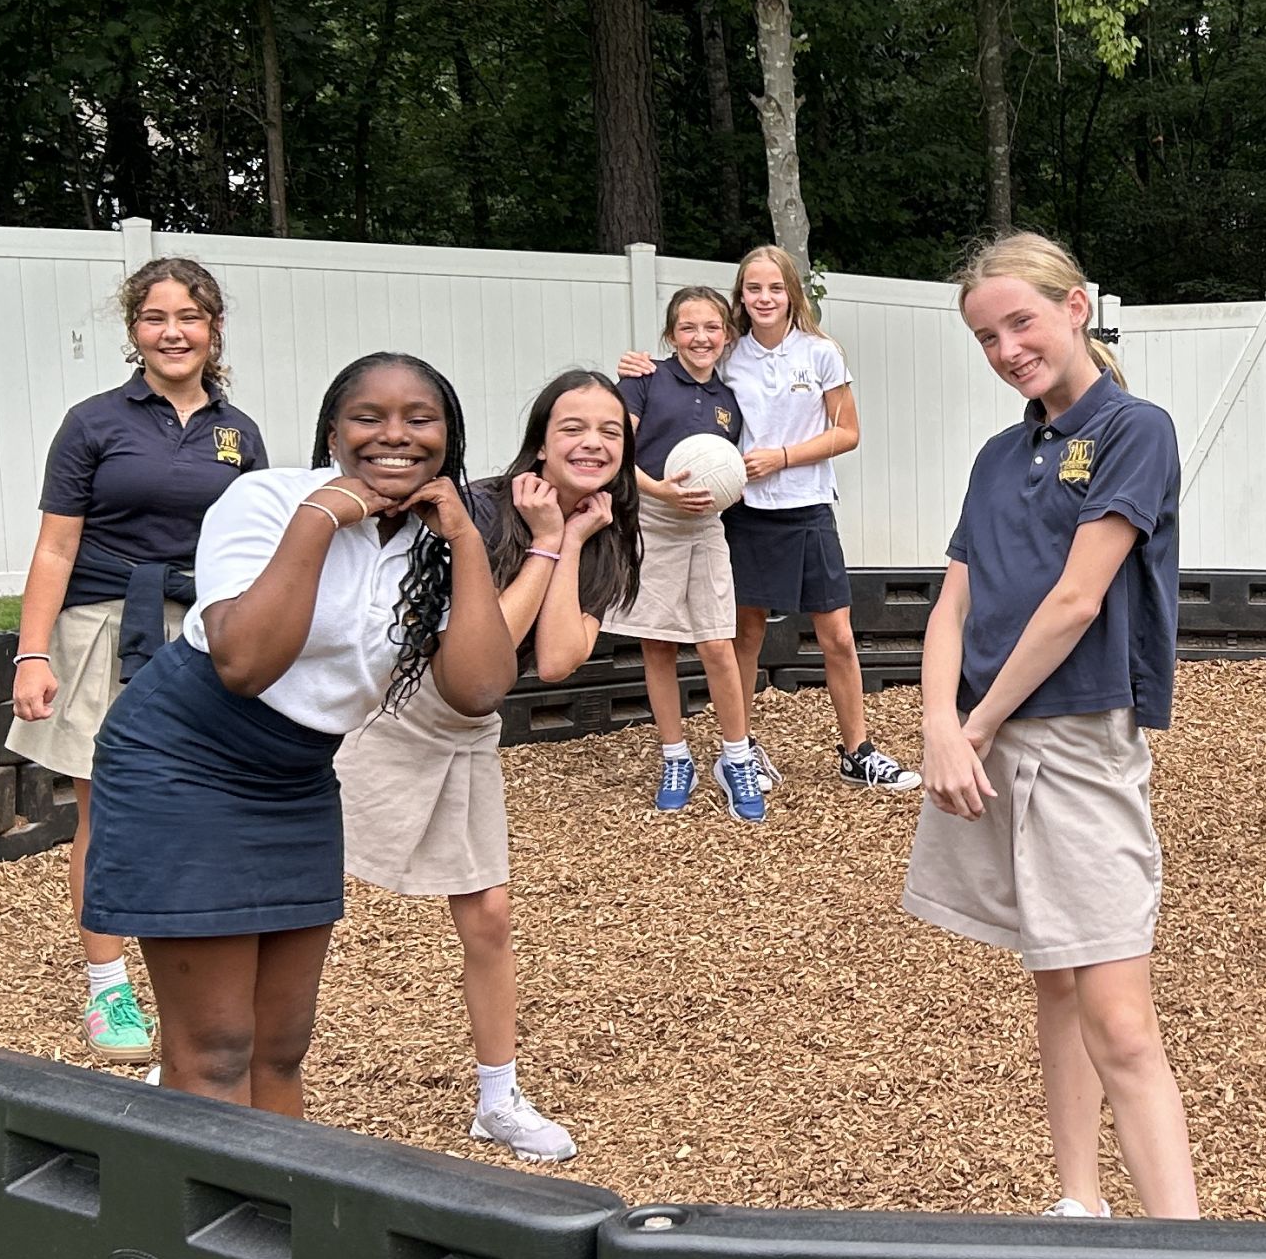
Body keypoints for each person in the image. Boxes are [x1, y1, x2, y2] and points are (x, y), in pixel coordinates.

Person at [82, 354, 515, 1114]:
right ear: (332, 432)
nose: (395, 435)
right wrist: (321, 516)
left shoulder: (438, 539)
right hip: (184, 760)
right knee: (216, 1049)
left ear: (447, 436)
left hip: (297, 777)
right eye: (368, 417)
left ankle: (276, 1192)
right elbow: (244, 663)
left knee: (281, 1046)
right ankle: (198, 1191)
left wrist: (466, 541)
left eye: (420, 419)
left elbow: (478, 688)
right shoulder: (265, 500)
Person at [907, 231, 1199, 1220]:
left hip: (1073, 739)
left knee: (1119, 1021)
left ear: (1076, 305)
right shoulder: (997, 455)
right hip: (987, 741)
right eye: (986, 337)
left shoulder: (1133, 429)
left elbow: (1077, 600)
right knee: (1055, 984)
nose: (1006, 349)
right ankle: (1079, 1204)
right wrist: (937, 723)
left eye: (1020, 322)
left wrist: (974, 724)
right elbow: (952, 602)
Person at [336, 369, 638, 1161]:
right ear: (540, 440)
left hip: (466, 732)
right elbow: (477, 652)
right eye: (573, 427)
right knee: (299, 888)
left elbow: (558, 658)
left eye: (609, 431)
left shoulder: (605, 535)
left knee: (491, 916)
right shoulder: (477, 509)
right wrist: (544, 540)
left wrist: (569, 540)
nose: (592, 443)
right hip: (382, 712)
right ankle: (207, 1057)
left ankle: (497, 1099)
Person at [6, 258, 265, 1060]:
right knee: (107, 808)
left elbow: (256, 546)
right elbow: (55, 546)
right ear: (134, 330)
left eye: (189, 316)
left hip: (203, 633)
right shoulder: (93, 423)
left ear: (214, 329)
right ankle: (107, 987)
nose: (172, 332)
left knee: (202, 806)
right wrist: (31, 653)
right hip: (104, 626)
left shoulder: (239, 433)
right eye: (156, 317)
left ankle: (194, 970)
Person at [619, 246, 920, 794]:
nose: (764, 298)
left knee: (838, 636)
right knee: (746, 635)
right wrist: (637, 365)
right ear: (741, 297)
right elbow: (682, 371)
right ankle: (741, 749)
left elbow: (847, 433)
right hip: (746, 512)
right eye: (753, 289)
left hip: (808, 506)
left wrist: (782, 457)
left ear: (791, 293)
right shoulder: (728, 354)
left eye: (775, 288)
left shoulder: (822, 353)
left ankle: (858, 752)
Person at [614, 287, 766, 822]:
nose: (700, 338)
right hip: (652, 521)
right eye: (688, 327)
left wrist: (730, 488)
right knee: (658, 645)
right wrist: (659, 491)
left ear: (727, 335)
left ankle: (736, 758)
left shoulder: (731, 400)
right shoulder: (642, 380)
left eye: (711, 327)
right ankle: (676, 758)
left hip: (704, 527)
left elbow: (728, 467)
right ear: (671, 334)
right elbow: (616, 454)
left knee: (717, 644)